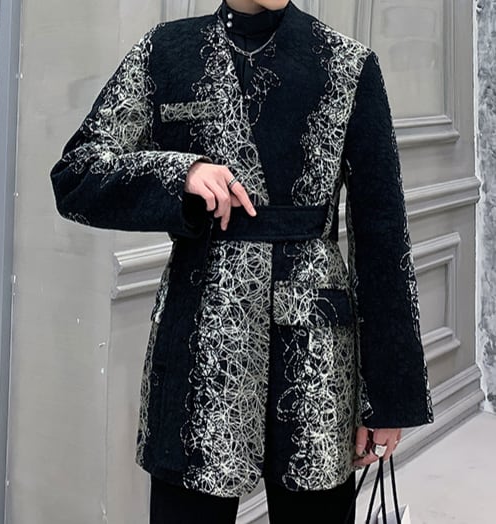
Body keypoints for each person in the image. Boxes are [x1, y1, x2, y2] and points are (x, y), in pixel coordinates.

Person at [49, 0, 435, 522]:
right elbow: (76, 173)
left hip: (315, 359)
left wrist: (387, 399)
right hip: (200, 346)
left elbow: (383, 234)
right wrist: (181, 174)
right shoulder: (167, 52)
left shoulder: (347, 64)